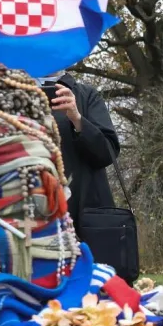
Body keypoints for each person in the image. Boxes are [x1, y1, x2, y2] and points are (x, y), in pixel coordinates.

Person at [38, 71, 121, 240]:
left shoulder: (86, 95)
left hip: (84, 214)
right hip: (33, 211)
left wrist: (77, 118)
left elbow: (106, 153)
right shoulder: (15, 96)